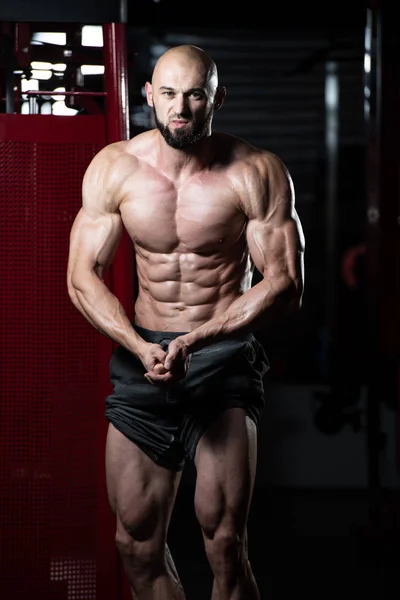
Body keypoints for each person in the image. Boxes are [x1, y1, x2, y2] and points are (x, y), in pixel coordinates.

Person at [67, 44, 305, 600]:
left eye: (195, 95)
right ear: (148, 96)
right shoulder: (115, 168)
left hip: (220, 361)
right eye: (169, 94)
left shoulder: (256, 172)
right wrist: (135, 344)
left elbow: (286, 286)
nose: (181, 108)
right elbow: (82, 276)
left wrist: (197, 339)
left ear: (216, 98)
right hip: (142, 359)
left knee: (224, 543)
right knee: (135, 543)